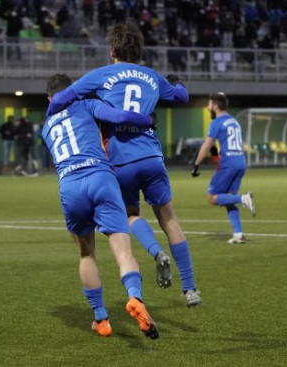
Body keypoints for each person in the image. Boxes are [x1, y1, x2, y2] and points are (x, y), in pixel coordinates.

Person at [46, 21, 201, 308]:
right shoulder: (152, 76)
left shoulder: (100, 75)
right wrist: (176, 81)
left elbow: (61, 99)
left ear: (112, 50)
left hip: (120, 162)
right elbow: (182, 96)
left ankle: (155, 252)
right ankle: (190, 288)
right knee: (170, 221)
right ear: (140, 50)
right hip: (152, 156)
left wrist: (52, 114)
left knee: (131, 215)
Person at [42, 73, 158, 339]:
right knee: (123, 251)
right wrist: (146, 120)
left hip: (70, 184)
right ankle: (135, 298)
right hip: (100, 177)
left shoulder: (46, 126)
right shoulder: (86, 104)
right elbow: (118, 117)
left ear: (49, 98)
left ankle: (101, 320)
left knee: (86, 254)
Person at [192, 93, 256, 244]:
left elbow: (207, 144)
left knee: (212, 198)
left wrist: (196, 165)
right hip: (240, 162)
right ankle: (238, 234)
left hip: (228, 163)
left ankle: (243, 198)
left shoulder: (216, 122)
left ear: (215, 105)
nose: (207, 107)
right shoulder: (234, 121)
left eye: (209, 104)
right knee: (228, 198)